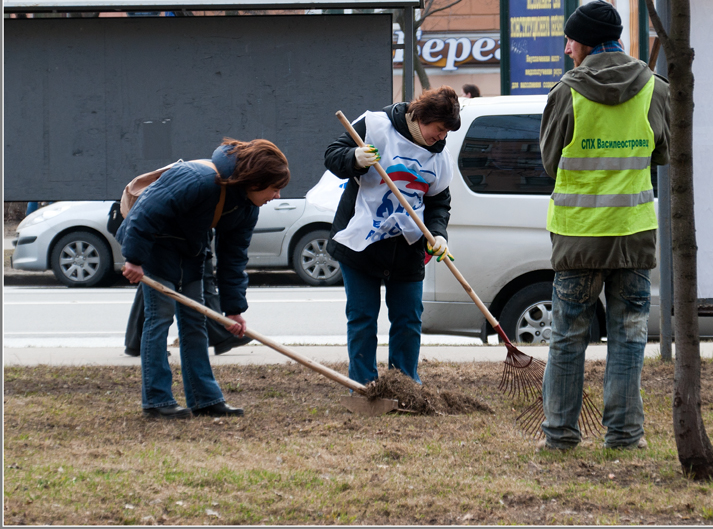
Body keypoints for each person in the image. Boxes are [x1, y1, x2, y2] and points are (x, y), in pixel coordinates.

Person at [539, 0, 670, 451]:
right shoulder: (654, 87)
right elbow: (664, 153)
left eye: (570, 39)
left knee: (568, 338)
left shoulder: (565, 92)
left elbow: (549, 161)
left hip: (578, 238)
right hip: (634, 235)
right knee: (630, 335)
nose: (566, 48)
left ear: (587, 42)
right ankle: (625, 436)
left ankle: (559, 436)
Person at [117, 138, 290, 419]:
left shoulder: (247, 207)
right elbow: (145, 212)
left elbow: (233, 258)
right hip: (157, 250)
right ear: (255, 181)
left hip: (191, 253)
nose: (278, 196)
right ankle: (157, 401)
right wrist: (134, 259)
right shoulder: (198, 178)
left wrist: (234, 311)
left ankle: (205, 400)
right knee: (159, 319)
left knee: (196, 321)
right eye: (275, 188)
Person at [324, 86, 461, 385]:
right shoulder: (375, 126)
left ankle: (405, 385)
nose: (440, 138)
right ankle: (363, 387)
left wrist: (438, 234)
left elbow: (439, 201)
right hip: (361, 240)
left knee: (408, 319)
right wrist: (355, 158)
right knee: (362, 319)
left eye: (445, 134)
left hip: (408, 246)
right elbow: (333, 156)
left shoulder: (440, 158)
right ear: (421, 117)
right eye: (437, 130)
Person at [123, 246, 253, 357]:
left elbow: (233, 253)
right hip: (165, 239)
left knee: (157, 288)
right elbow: (141, 222)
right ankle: (219, 333)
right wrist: (134, 257)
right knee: (160, 302)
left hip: (190, 239)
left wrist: (234, 310)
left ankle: (136, 340)